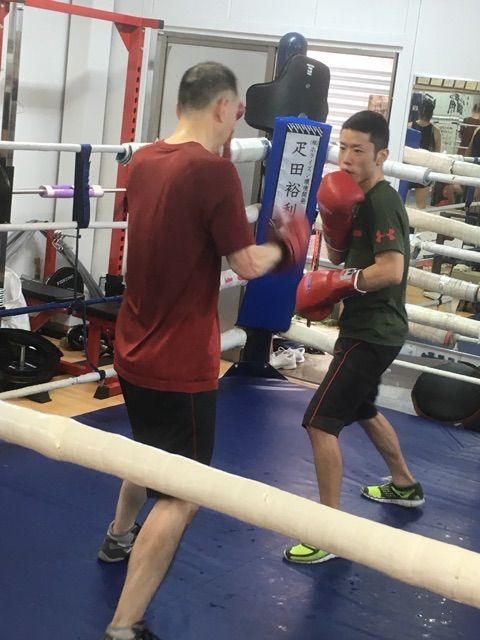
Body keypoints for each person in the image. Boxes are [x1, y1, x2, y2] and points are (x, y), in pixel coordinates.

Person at [98, 61, 310, 640]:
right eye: (235, 112)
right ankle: (124, 625)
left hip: (133, 346)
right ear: (223, 108)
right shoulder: (214, 174)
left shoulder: (145, 160)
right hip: (180, 361)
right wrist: (288, 246)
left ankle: (117, 537)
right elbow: (246, 264)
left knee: (148, 452)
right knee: (182, 494)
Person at [285, 110, 424, 565]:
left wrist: (340, 282)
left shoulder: (382, 201)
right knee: (361, 408)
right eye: (343, 148)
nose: (347, 158)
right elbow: (342, 252)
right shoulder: (355, 197)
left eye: (358, 150)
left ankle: (330, 533)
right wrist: (334, 220)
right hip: (369, 328)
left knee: (319, 423)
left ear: (381, 154)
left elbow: (391, 270)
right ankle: (404, 484)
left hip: (372, 332)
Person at [409, 99, 442, 208]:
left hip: (408, 167)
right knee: (421, 204)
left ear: (419, 111)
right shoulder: (435, 131)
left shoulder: (409, 126)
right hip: (424, 169)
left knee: (400, 201)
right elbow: (437, 155)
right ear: (432, 113)